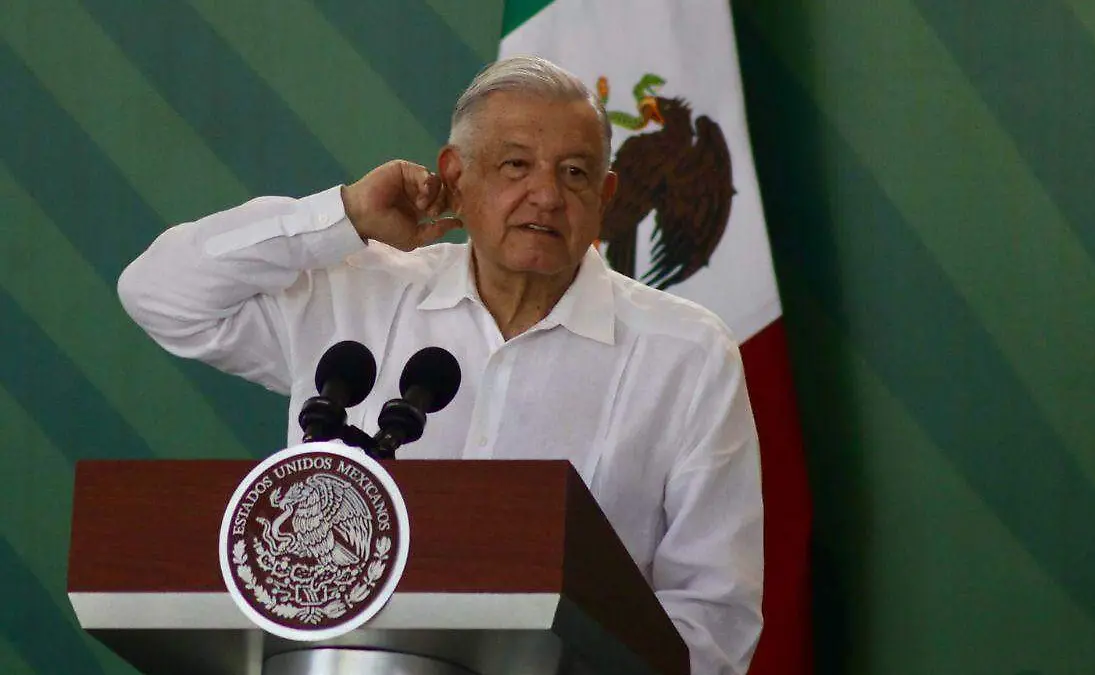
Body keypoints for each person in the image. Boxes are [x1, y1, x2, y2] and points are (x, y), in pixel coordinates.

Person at [118, 55, 763, 674]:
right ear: (455, 175)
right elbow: (159, 294)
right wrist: (340, 216)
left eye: (574, 173)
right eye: (516, 165)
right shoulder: (357, 296)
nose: (546, 195)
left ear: (607, 195)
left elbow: (713, 619)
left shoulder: (687, 354)